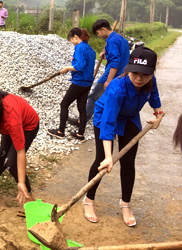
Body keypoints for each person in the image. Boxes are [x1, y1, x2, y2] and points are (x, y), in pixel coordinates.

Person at [83, 47, 163, 226]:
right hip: (105, 116)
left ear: (152, 73)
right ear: (128, 69)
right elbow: (108, 123)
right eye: (135, 73)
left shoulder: (150, 81)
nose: (139, 78)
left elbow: (154, 97)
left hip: (129, 118)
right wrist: (109, 156)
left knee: (128, 161)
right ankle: (89, 200)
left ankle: (125, 203)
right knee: (101, 159)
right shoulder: (116, 89)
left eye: (145, 74)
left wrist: (158, 113)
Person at [69, 19, 129, 125]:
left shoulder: (112, 41)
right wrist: (106, 55)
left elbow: (115, 62)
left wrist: (108, 80)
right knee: (112, 99)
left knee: (93, 96)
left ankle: (81, 121)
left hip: (112, 74)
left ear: (103, 29)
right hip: (123, 75)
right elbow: (120, 56)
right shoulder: (121, 39)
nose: (98, 35)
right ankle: (111, 122)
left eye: (98, 33)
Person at [47, 28, 96, 141]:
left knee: (64, 104)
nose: (71, 42)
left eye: (71, 40)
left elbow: (79, 66)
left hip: (79, 83)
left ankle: (60, 131)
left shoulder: (80, 48)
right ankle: (80, 134)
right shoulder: (90, 49)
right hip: (87, 82)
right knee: (82, 108)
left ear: (75, 37)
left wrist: (67, 68)